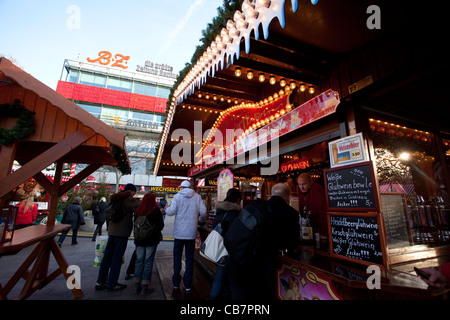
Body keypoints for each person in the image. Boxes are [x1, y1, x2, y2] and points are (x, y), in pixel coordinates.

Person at [228, 183, 300, 300]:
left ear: (271, 195)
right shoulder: (290, 213)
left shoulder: (255, 206)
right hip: (258, 269)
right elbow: (292, 243)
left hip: (236, 261)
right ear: (288, 197)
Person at [165, 180, 206, 297]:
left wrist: (167, 208)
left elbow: (171, 212)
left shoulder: (177, 197)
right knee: (189, 259)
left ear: (182, 187)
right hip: (191, 234)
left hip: (179, 234)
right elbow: (203, 212)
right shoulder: (197, 197)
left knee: (177, 258)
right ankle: (188, 286)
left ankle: (176, 285)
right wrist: (200, 221)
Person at [95, 183, 140, 292]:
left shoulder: (116, 198)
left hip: (112, 231)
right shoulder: (128, 199)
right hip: (121, 233)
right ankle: (112, 283)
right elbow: (141, 207)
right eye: (134, 192)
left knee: (107, 258)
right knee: (117, 258)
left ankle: (100, 282)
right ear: (131, 191)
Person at [209, 188, 242, 300]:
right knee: (221, 275)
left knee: (221, 274)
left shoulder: (219, 211)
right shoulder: (234, 214)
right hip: (228, 250)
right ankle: (214, 296)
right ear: (238, 200)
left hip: (218, 248)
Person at [133, 192, 164, 295]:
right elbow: (161, 225)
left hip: (139, 239)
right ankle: (145, 287)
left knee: (139, 261)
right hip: (151, 239)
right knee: (148, 261)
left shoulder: (138, 210)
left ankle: (136, 286)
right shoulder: (155, 210)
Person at [297, 173, 328, 239]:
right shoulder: (300, 191)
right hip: (309, 228)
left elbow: (323, 212)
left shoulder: (317, 189)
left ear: (310, 182)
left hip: (319, 228)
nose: (301, 187)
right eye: (299, 184)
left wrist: (324, 232)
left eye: (304, 184)